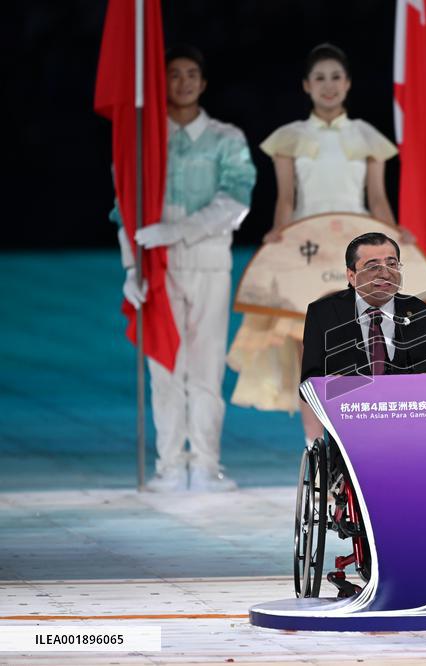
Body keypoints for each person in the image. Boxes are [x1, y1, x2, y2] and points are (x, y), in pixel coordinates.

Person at [227, 43, 400, 445]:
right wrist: (277, 238)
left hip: (358, 250)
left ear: (348, 83)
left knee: (365, 343)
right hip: (307, 251)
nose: (328, 85)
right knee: (312, 347)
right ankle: (315, 446)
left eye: (336, 77)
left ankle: (358, 441)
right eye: (319, 78)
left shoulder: (366, 136)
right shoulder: (290, 138)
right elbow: (286, 200)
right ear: (306, 85)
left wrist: (394, 241)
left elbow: (377, 200)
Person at [114, 44, 257, 492]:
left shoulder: (226, 138)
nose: (183, 82)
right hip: (158, 265)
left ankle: (206, 463)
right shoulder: (144, 141)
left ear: (203, 82)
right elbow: (124, 207)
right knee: (164, 366)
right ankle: (170, 464)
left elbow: (236, 201)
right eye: (174, 74)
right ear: (162, 81)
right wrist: (131, 268)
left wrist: (176, 231)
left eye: (191, 74)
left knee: (206, 365)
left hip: (208, 261)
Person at [301, 232, 426, 384]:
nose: (385, 274)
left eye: (392, 264)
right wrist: (331, 386)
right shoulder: (322, 314)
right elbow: (308, 383)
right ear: (352, 276)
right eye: (373, 267)